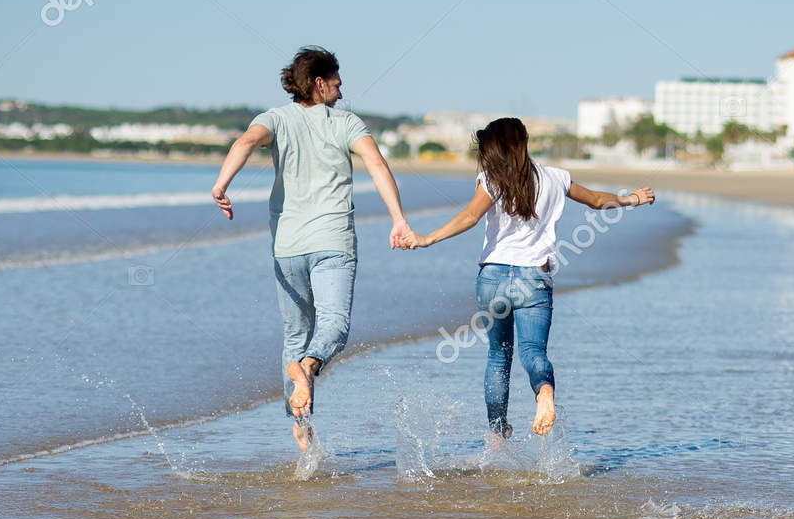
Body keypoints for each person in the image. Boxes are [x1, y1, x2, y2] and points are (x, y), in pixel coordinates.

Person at [398, 118, 653, 437]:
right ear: (524, 141)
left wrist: (426, 238)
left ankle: (496, 436)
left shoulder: (491, 179)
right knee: (533, 352)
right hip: (534, 279)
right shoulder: (556, 178)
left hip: (492, 278)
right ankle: (544, 391)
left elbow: (470, 216)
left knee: (498, 355)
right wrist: (634, 199)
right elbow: (599, 201)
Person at [213, 47, 414, 450]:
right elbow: (377, 164)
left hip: (287, 246)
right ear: (319, 84)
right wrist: (399, 219)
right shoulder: (346, 123)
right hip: (332, 242)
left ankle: (301, 426)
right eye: (337, 85)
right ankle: (307, 367)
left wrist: (221, 185)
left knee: (295, 332)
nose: (341, 94)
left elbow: (245, 141)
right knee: (334, 328)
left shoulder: (273, 119)